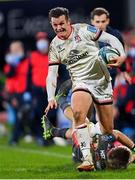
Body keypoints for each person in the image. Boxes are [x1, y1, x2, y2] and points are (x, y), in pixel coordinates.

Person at [45, 7, 126, 171]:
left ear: (68, 21)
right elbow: (51, 74)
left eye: (61, 23)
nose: (59, 27)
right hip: (81, 82)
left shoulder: (83, 29)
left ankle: (58, 133)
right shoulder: (54, 46)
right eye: (55, 25)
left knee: (107, 130)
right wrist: (50, 97)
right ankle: (87, 159)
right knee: (78, 114)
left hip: (102, 83)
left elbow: (111, 39)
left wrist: (122, 55)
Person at [41, 79, 135, 170]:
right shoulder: (111, 164)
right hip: (80, 155)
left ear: (112, 149)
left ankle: (61, 100)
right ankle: (52, 131)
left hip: (83, 147)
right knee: (87, 126)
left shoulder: (104, 142)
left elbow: (118, 134)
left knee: (83, 124)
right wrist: (132, 157)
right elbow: (120, 160)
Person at [90, 7, 129, 87]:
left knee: (107, 98)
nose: (100, 24)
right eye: (97, 22)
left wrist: (124, 72)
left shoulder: (115, 35)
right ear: (92, 22)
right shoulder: (86, 35)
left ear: (107, 21)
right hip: (91, 73)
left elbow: (121, 53)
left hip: (110, 73)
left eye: (103, 21)